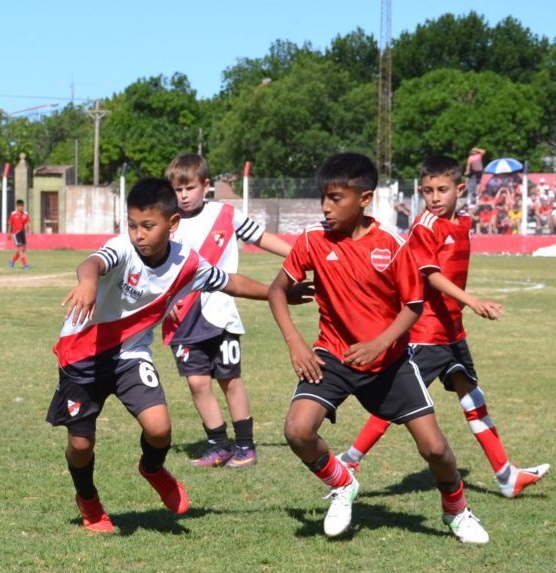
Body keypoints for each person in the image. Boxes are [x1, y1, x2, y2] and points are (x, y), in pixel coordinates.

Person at [268, 152, 490, 543]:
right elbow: (277, 291)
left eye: (336, 198)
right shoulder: (312, 240)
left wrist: (380, 343)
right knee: (298, 431)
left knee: (435, 449)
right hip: (333, 356)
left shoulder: (392, 243)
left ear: (365, 198)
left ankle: (457, 510)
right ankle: (342, 482)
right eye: (324, 197)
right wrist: (296, 345)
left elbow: (414, 305)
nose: (326, 207)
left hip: (388, 363)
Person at [47, 178, 275, 533]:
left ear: (172, 225)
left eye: (148, 226)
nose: (138, 234)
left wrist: (277, 293)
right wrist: (88, 282)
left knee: (159, 428)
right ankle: (88, 499)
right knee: (81, 443)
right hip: (82, 354)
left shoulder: (187, 263)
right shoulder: (122, 248)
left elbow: (230, 282)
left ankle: (152, 468)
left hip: (129, 355)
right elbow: (92, 263)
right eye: (133, 224)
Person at [337, 155, 549, 502]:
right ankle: (350, 460)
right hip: (425, 333)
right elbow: (430, 276)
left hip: (452, 332)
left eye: (441, 190)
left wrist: (463, 307)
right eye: (427, 191)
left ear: (460, 189)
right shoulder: (424, 227)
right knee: (400, 401)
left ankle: (505, 474)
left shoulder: (463, 222)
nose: (434, 197)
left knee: (472, 396)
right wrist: (472, 300)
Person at [163, 154, 292, 468]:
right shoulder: (167, 222)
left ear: (206, 186)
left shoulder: (226, 214)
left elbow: (261, 238)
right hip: (182, 319)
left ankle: (245, 446)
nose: (183, 195)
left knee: (230, 379)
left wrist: (302, 254)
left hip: (221, 313)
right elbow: (157, 268)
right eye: (177, 189)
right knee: (197, 383)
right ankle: (218, 445)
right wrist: (164, 306)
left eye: (189, 188)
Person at [8, 199, 31, 270]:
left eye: (22, 206)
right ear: (17, 206)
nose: (21, 207)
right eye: (19, 206)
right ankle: (25, 265)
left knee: (23, 250)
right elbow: (10, 224)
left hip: (22, 233)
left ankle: (12, 260)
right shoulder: (13, 214)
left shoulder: (25, 214)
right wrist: (9, 233)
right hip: (16, 233)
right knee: (20, 250)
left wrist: (31, 229)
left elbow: (28, 223)